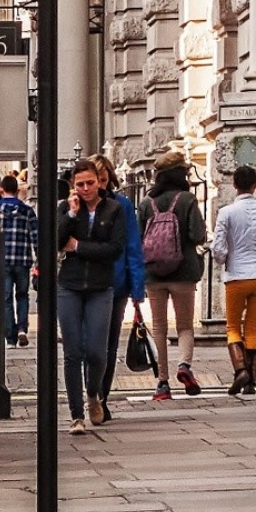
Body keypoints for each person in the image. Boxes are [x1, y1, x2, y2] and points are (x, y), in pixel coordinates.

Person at [58, 158, 127, 435]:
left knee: (97, 352)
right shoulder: (66, 209)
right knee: (72, 351)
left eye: (89, 183)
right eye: (79, 185)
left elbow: (114, 249)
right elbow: (55, 240)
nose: (85, 189)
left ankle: (94, 394)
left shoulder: (114, 209)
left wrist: (79, 247)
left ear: (99, 182)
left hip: (100, 287)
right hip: (69, 286)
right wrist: (72, 216)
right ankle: (76, 415)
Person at [139, 151, 208, 400]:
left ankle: (162, 383)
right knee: (185, 326)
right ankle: (184, 366)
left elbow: (138, 239)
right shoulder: (187, 199)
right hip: (184, 272)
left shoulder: (147, 203)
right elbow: (197, 234)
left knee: (158, 327)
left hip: (153, 274)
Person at [214, 164, 256, 396]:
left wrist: (224, 259)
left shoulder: (226, 213)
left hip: (236, 276)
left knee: (232, 326)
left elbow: (218, 249)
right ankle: (251, 381)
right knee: (251, 327)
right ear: (255, 185)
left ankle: (240, 368)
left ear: (234, 185)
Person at [92, 154, 147, 424]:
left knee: (109, 345)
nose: (99, 186)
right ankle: (92, 393)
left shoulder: (123, 206)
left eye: (103, 180)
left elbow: (133, 247)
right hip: (88, 284)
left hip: (116, 285)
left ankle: (101, 397)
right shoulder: (78, 205)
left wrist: (138, 289)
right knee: (91, 345)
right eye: (95, 180)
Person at [0, 174, 37, 347]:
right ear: (17, 190)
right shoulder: (27, 211)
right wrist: (39, 259)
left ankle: (10, 337)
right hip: (22, 259)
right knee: (22, 295)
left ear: (1, 189)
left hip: (3, 259)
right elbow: (35, 236)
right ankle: (22, 328)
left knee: (6, 298)